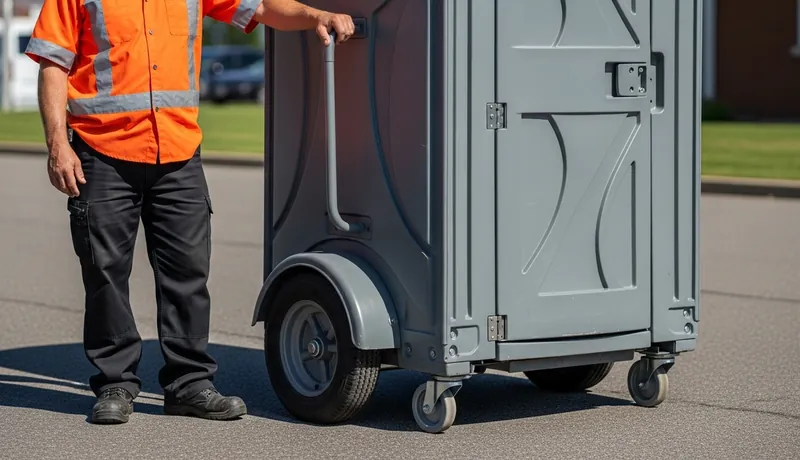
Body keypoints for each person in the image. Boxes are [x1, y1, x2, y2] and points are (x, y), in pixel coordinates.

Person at [25, 0, 355, 424]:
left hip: (177, 151)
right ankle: (115, 384)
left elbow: (264, 7)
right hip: (102, 152)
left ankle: (189, 385)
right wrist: (57, 143)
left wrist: (316, 17)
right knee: (104, 273)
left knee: (188, 272)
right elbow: (52, 62)